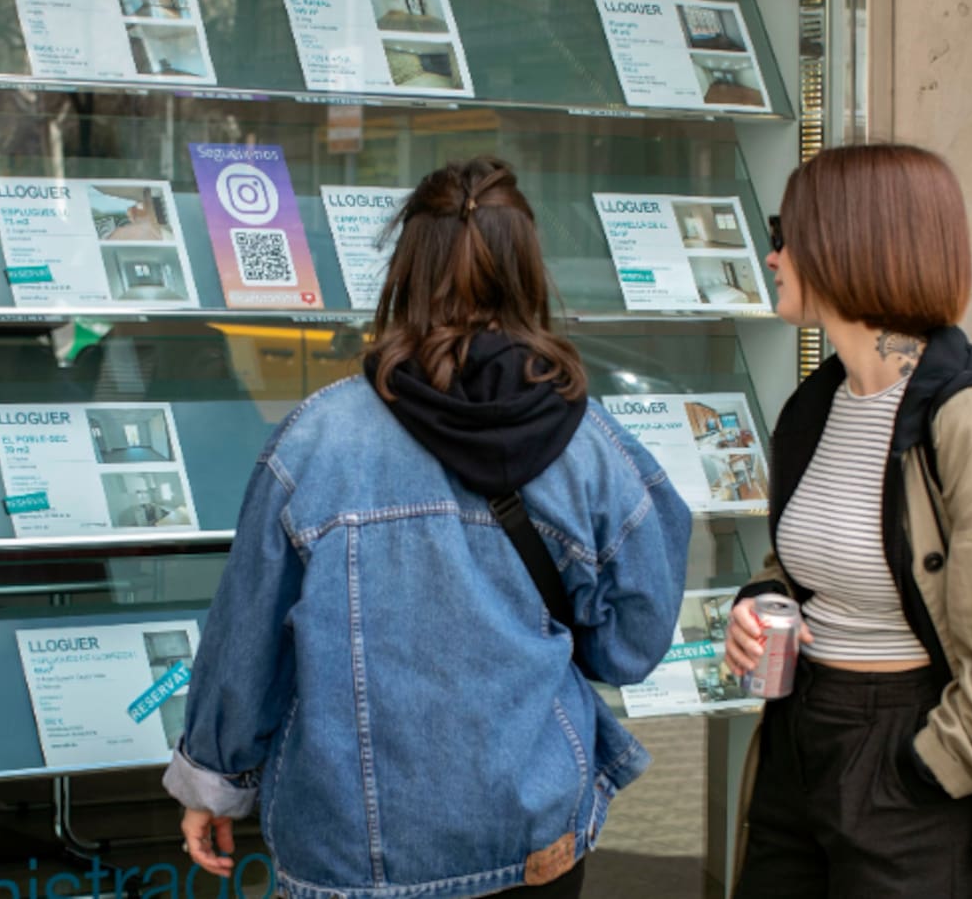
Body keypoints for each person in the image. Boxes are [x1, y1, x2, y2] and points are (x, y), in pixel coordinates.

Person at [162, 156, 692, 898]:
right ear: (528, 271)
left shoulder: (317, 441)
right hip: (534, 828)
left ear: (406, 268)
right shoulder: (591, 443)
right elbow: (631, 646)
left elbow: (248, 636)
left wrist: (213, 782)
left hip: (354, 851)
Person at [724, 144, 972, 899]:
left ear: (847, 244)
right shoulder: (818, 406)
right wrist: (758, 608)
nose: (772, 254)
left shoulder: (965, 422)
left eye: (787, 233)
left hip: (906, 757)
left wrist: (928, 768)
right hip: (800, 739)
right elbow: (809, 566)